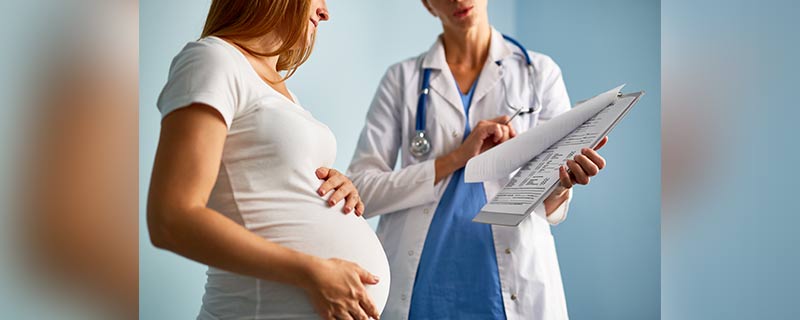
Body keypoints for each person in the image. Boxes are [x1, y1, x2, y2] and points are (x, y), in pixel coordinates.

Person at [346, 0, 609, 318]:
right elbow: (361, 193)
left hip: (508, 285)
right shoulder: (402, 80)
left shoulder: (539, 73)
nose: (458, 0)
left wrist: (562, 185)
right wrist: (457, 157)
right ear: (428, 4)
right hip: (420, 287)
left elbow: (550, 203)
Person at [146, 0, 390, 319]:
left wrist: (335, 188)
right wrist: (311, 271)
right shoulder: (213, 59)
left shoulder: (281, 90)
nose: (325, 12)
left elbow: (268, 185)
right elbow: (171, 219)